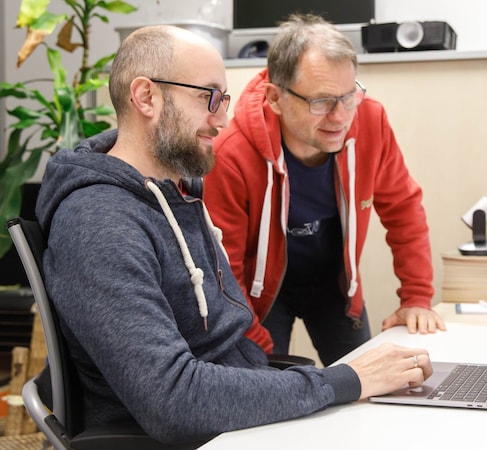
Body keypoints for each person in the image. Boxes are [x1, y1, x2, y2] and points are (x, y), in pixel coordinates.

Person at [35, 25, 432, 446]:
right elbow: (173, 400)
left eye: (223, 99)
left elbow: (225, 335)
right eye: (208, 97)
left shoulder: (178, 193)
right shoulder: (100, 224)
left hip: (238, 413)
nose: (223, 119)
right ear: (146, 97)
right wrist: (340, 382)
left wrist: (332, 384)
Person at [204, 14, 446, 366]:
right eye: (320, 102)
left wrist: (417, 297)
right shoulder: (231, 154)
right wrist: (258, 353)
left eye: (348, 97)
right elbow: (225, 269)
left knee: (367, 386)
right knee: (267, 391)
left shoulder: (371, 121)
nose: (339, 117)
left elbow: (403, 209)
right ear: (275, 98)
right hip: (262, 296)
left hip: (335, 285)